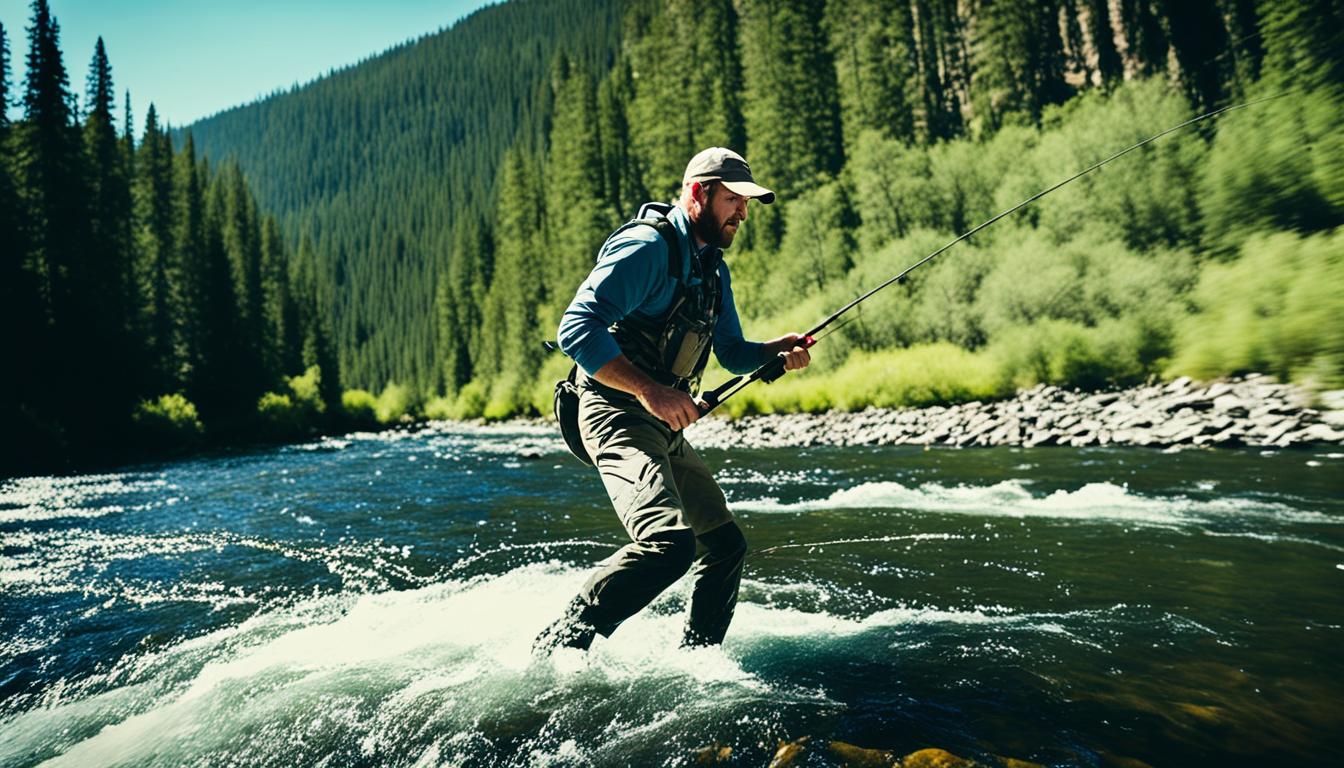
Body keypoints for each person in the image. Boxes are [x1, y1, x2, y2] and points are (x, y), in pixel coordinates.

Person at [534, 147, 811, 653]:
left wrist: (776, 351)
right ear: (698, 193)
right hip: (612, 412)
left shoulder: (713, 271)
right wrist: (651, 391)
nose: (743, 213)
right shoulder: (647, 249)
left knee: (725, 546)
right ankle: (555, 650)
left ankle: (698, 666)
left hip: (662, 421)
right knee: (669, 544)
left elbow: (730, 353)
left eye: (746, 203)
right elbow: (575, 328)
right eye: (733, 200)